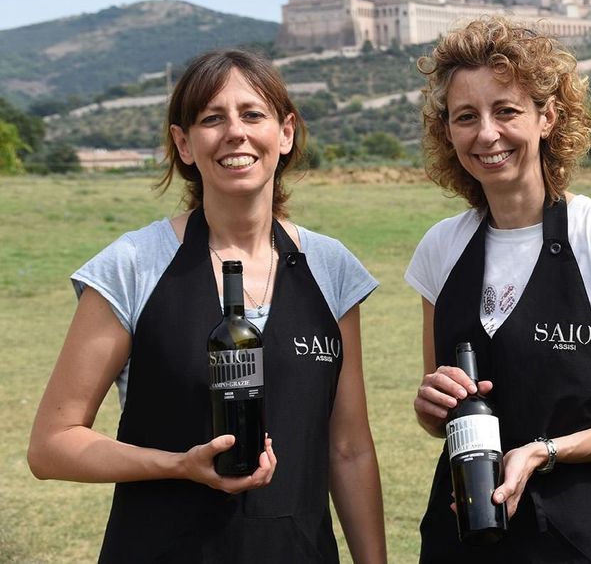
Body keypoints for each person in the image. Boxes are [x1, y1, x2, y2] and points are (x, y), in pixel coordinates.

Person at [28, 49, 387, 564]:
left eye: (253, 114)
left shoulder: (331, 267)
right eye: (212, 118)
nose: (235, 133)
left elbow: (348, 449)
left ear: (285, 133)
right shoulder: (133, 264)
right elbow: (51, 446)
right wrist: (178, 465)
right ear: (184, 143)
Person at [407, 16, 591, 563]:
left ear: (548, 117)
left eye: (506, 110)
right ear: (448, 132)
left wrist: (545, 452)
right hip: (458, 534)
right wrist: (429, 405)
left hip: (571, 537)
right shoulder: (440, 248)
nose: (486, 133)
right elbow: (441, 420)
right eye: (466, 117)